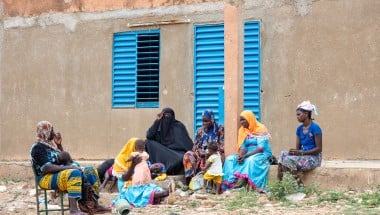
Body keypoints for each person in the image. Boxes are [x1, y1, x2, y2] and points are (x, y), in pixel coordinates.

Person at [30, 121, 110, 215]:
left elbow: (64, 159)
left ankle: (93, 205)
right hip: (45, 178)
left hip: (58, 173)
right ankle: (74, 210)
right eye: (52, 130)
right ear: (45, 132)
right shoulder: (37, 148)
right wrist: (69, 168)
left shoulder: (50, 146)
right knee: (74, 173)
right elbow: (47, 168)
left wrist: (59, 144)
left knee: (90, 170)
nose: (54, 133)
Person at [221, 110, 272, 193]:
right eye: (240, 120)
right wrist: (240, 156)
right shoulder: (242, 130)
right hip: (247, 154)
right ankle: (230, 185)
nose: (241, 122)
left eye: (243, 119)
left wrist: (246, 156)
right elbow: (243, 147)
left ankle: (256, 187)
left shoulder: (261, 128)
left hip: (261, 153)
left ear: (249, 119)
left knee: (251, 160)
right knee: (230, 159)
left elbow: (260, 148)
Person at [112, 140, 170, 209]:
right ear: (132, 147)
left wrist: (150, 170)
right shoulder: (121, 159)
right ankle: (158, 195)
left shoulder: (140, 155)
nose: (140, 150)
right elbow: (124, 178)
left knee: (151, 187)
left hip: (139, 183)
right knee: (137, 192)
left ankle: (159, 194)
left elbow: (142, 171)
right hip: (126, 185)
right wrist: (133, 165)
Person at [277, 101, 323, 183]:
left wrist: (300, 153)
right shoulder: (299, 129)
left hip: (313, 157)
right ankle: (279, 183)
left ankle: (299, 185)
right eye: (297, 115)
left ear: (306, 114)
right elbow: (298, 149)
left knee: (288, 161)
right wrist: (294, 152)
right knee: (282, 154)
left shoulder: (315, 128)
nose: (297, 117)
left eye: (299, 114)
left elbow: (319, 149)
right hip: (303, 155)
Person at [145, 107, 193, 175]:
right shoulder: (159, 126)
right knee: (148, 142)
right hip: (164, 151)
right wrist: (157, 121)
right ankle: (158, 167)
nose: (166, 119)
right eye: (164, 116)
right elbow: (149, 136)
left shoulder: (179, 126)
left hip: (177, 154)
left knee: (180, 158)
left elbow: (187, 145)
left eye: (168, 116)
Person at [183, 109, 225, 184]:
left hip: (214, 152)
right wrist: (200, 152)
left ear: (212, 119)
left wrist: (211, 152)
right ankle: (189, 180)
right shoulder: (200, 130)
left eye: (206, 121)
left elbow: (222, 145)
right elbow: (195, 146)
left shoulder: (219, 130)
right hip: (201, 154)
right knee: (188, 155)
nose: (204, 123)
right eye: (203, 121)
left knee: (218, 156)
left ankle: (214, 182)